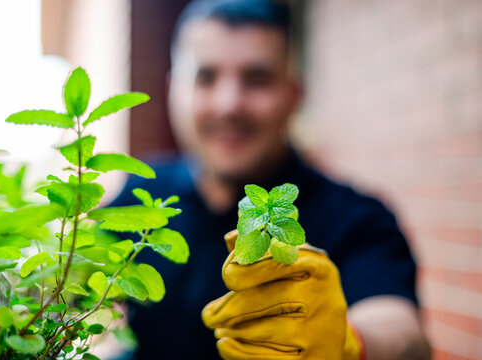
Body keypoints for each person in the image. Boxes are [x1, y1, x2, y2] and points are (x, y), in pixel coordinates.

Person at [109, 0, 431, 359]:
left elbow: (405, 338)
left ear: (294, 95)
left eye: (257, 79)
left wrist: (347, 342)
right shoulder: (143, 195)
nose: (229, 104)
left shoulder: (357, 219)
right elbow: (61, 281)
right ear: (174, 90)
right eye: (206, 77)